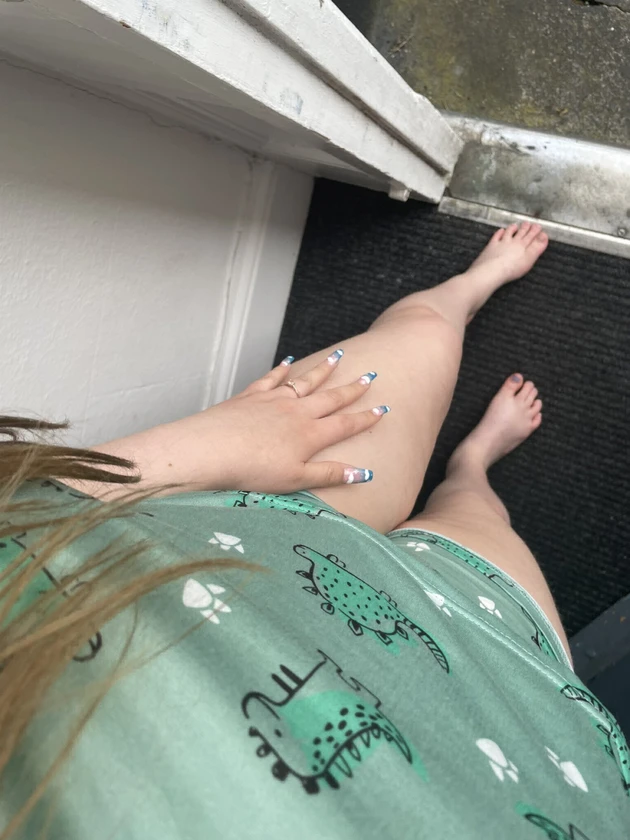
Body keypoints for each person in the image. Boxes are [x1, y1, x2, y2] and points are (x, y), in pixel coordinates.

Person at [0, 222, 628, 840]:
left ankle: (469, 288)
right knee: (476, 511)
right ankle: (470, 465)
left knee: (426, 333)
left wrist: (209, 442)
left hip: (234, 525)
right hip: (470, 696)